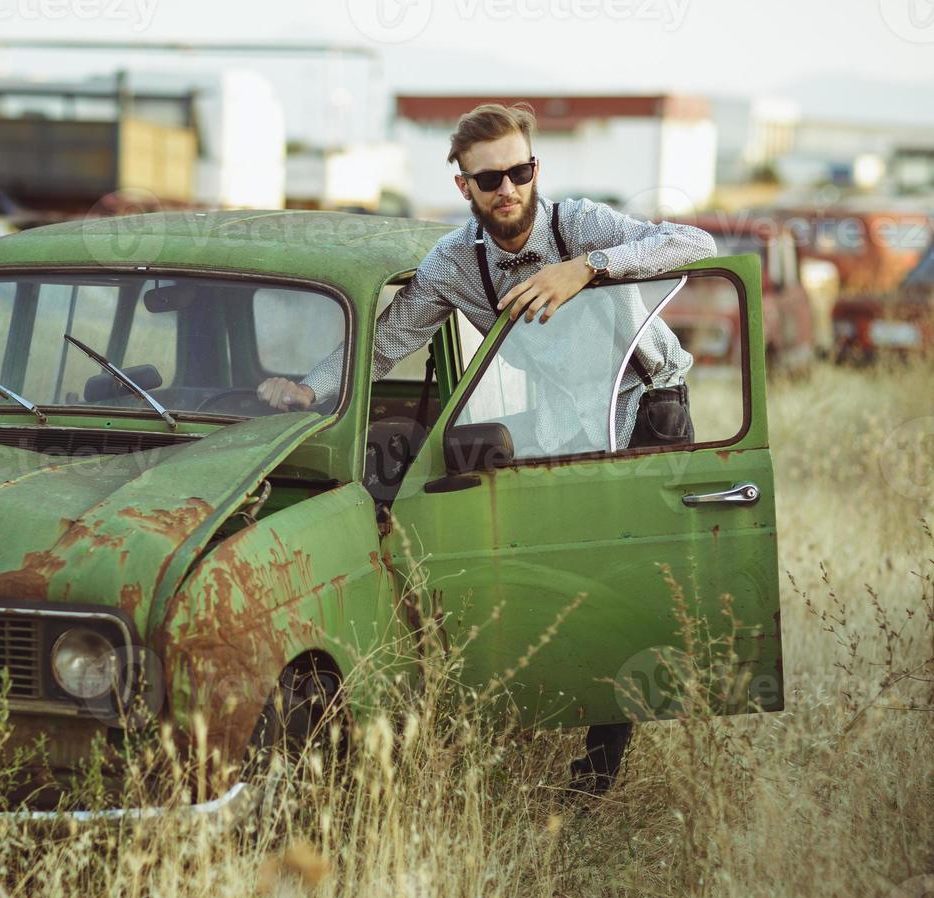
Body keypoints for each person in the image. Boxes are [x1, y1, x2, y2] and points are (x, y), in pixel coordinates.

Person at [257, 101, 716, 794]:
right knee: (559, 564)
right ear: (463, 188)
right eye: (490, 179)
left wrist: (586, 268)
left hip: (647, 403)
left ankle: (600, 767)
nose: (509, 190)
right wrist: (310, 386)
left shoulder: (578, 223)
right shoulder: (453, 263)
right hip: (563, 415)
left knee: (626, 575)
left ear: (536, 169)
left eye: (520, 172)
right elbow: (387, 339)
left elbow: (697, 245)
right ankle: (541, 706)